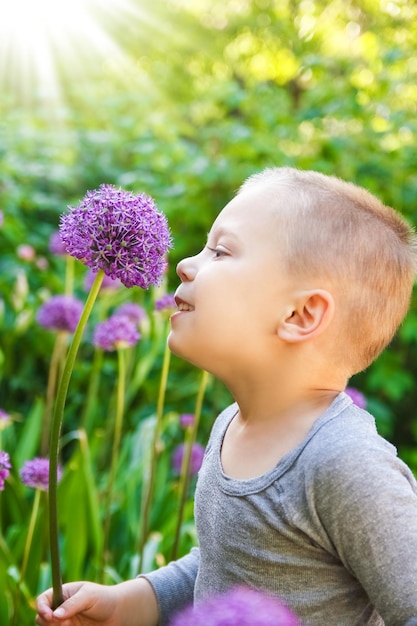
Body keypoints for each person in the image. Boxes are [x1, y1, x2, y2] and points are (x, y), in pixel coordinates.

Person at [36, 167, 417, 626]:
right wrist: (125, 602)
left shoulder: (347, 465)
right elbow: (222, 572)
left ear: (300, 314)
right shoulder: (231, 425)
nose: (185, 264)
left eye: (220, 250)